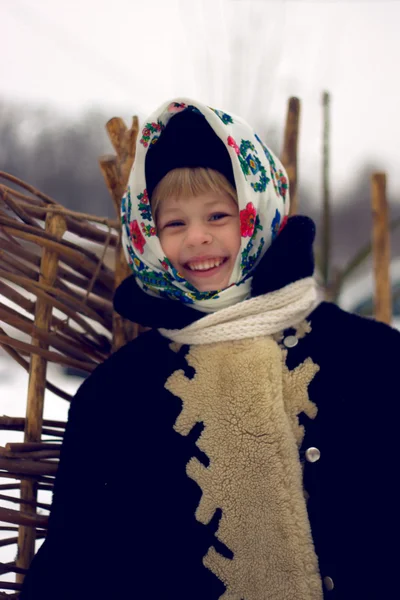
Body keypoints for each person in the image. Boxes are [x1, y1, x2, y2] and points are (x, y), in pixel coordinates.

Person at [21, 99, 400, 600]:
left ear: (257, 213)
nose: (197, 238)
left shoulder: (373, 361)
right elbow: (76, 567)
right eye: (174, 224)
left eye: (218, 215)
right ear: (148, 235)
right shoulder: (117, 398)